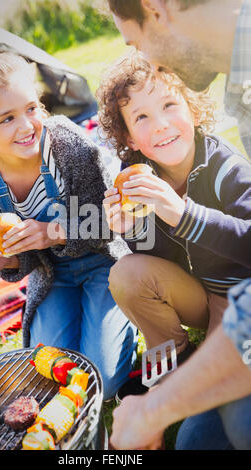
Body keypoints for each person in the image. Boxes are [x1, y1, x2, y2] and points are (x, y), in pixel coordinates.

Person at [0, 50, 137, 401]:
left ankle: (122, 322)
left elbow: (111, 223)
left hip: (104, 263)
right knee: (51, 381)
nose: (26, 126)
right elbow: (27, 261)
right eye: (6, 119)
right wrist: (5, 261)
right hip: (52, 274)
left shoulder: (69, 147)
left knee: (103, 384)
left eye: (32, 109)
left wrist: (52, 231)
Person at [96, 50, 251, 448]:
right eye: (142, 117)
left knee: (193, 442)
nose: (161, 124)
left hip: (238, 302)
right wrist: (130, 229)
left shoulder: (226, 169)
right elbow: (159, 259)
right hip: (196, 294)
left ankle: (195, 380)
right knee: (127, 272)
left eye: (169, 104)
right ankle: (175, 354)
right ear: (129, 137)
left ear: (194, 110)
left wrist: (182, 211)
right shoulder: (139, 179)